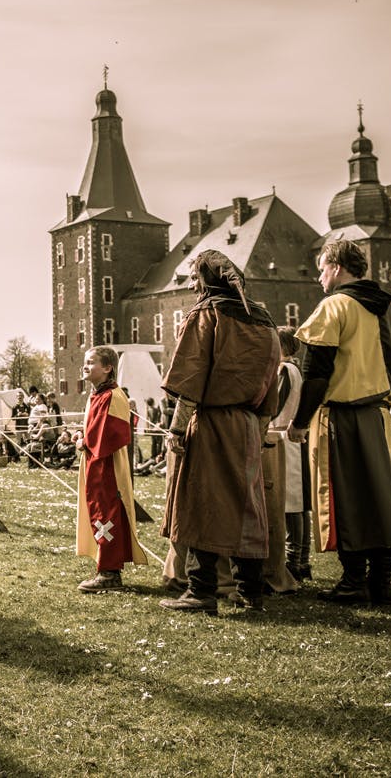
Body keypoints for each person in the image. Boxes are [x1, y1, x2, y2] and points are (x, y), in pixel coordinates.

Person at [290, 239, 391, 606]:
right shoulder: (386, 306)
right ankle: (381, 582)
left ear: (338, 267)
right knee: (381, 497)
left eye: (323, 268)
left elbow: (316, 373)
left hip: (342, 416)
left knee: (347, 498)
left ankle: (354, 580)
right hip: (378, 415)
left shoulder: (335, 306)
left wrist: (300, 420)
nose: (319, 276)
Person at [159, 251, 280, 615]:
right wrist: (259, 429)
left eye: (195, 277)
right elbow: (270, 383)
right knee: (247, 507)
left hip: (210, 422)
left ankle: (202, 591)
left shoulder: (206, 315)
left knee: (202, 504)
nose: (192, 284)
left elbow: (191, 379)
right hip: (247, 425)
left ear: (209, 279)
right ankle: (250, 594)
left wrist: (177, 429)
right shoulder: (266, 320)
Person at [75, 346, 149, 592]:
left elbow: (112, 434)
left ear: (107, 368)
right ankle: (105, 567)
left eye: (91, 362)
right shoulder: (96, 394)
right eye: (85, 362)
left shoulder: (113, 396)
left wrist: (84, 441)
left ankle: (109, 573)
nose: (85, 366)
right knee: (98, 513)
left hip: (107, 467)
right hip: (96, 463)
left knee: (106, 515)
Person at [263, 326, 306, 591]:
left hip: (282, 436)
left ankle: (296, 558)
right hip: (286, 435)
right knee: (294, 500)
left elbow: (275, 405)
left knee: (290, 501)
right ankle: (299, 557)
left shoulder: (285, 370)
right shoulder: (293, 370)